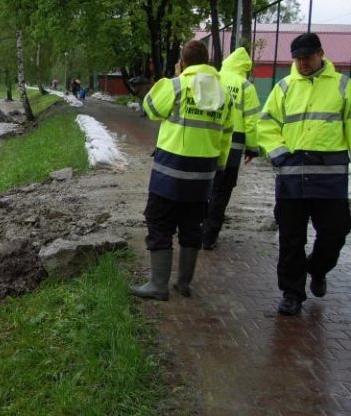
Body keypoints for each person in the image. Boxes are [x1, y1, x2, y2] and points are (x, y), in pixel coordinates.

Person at [131, 40, 234, 300]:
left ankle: (158, 285)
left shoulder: (175, 85)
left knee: (159, 223)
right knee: (191, 226)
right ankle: (184, 283)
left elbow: (150, 108)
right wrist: (220, 166)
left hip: (170, 172)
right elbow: (226, 134)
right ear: (208, 62)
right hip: (204, 174)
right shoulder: (224, 94)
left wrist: (172, 78)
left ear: (183, 62)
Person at [257, 32, 351, 316]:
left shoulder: (343, 86)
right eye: (298, 59)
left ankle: (318, 268)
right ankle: (292, 294)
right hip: (292, 176)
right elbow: (266, 123)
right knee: (291, 239)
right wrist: (278, 153)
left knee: (335, 234)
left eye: (307, 57)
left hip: (330, 180)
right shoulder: (285, 87)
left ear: (321, 53)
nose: (302, 63)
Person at [201, 47, 261, 249]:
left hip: (208, 140)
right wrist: (252, 148)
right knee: (222, 191)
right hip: (233, 147)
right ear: (245, 68)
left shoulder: (214, 78)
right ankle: (209, 237)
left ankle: (194, 228)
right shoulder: (246, 86)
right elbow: (251, 121)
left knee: (204, 186)